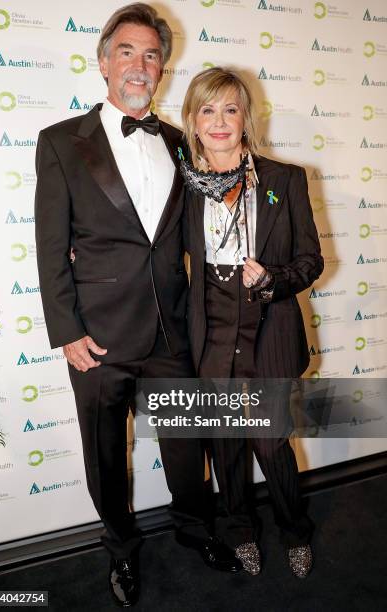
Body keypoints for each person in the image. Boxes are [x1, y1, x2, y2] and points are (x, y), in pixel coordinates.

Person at [35, 7, 241, 609]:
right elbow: (51, 247)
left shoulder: (180, 143)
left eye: (151, 54)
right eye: (127, 51)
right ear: (103, 62)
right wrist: (67, 329)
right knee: (105, 455)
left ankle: (194, 528)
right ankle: (121, 552)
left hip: (172, 333)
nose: (140, 64)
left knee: (187, 445)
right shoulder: (61, 143)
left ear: (162, 69)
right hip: (97, 338)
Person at [181, 67, 324, 579]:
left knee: (268, 440)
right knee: (224, 443)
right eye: (207, 109)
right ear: (193, 122)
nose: (219, 122)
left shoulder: (285, 180)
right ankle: (240, 531)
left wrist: (272, 279)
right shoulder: (184, 191)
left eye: (230, 109)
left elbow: (311, 260)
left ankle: (295, 531)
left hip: (267, 322)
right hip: (214, 327)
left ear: (246, 118)